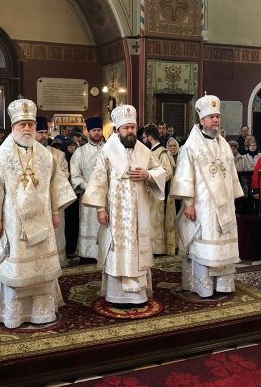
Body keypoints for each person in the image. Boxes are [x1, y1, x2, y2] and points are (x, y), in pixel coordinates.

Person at [0, 99, 76, 329]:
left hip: (42, 220)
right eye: (22, 125)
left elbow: (55, 186)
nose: (27, 128)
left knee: (42, 267)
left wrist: (56, 212)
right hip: (12, 221)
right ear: (13, 127)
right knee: (16, 268)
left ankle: (42, 311)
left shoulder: (46, 155)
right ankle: (13, 314)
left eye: (30, 124)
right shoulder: (1, 155)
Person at [83, 105, 165, 308]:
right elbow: (99, 181)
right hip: (116, 213)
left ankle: (138, 295)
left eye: (133, 127)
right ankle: (116, 296)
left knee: (138, 247)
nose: (130, 131)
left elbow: (161, 170)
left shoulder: (144, 151)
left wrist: (148, 175)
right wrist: (100, 209)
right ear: (117, 129)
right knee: (117, 250)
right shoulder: (107, 152)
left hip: (140, 213)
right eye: (126, 128)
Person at [170, 95, 243, 298]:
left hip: (224, 206)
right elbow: (185, 177)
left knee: (223, 246)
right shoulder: (190, 147)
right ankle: (203, 286)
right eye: (212, 117)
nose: (216, 120)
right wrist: (189, 204)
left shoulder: (225, 145)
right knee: (205, 247)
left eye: (218, 116)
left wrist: (232, 199)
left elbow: (231, 176)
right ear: (202, 120)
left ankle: (223, 285)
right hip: (203, 206)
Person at [35, 116, 71, 267]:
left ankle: (57, 262)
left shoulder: (58, 154)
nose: (43, 136)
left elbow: (64, 175)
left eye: (45, 132)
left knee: (56, 231)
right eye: (40, 132)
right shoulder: (28, 153)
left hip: (54, 199)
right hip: (35, 200)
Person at [70, 117, 105, 263]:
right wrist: (87, 186)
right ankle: (88, 257)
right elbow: (75, 176)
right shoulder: (80, 152)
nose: (97, 133)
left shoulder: (110, 149)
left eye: (99, 130)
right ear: (88, 131)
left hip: (107, 197)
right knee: (88, 225)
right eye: (94, 130)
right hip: (88, 197)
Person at [143, 126, 176, 255]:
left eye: (145, 137)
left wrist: (150, 176)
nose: (143, 139)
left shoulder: (162, 152)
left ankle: (158, 249)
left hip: (158, 194)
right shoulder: (150, 152)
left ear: (150, 137)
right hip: (150, 193)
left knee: (156, 220)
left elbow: (167, 173)